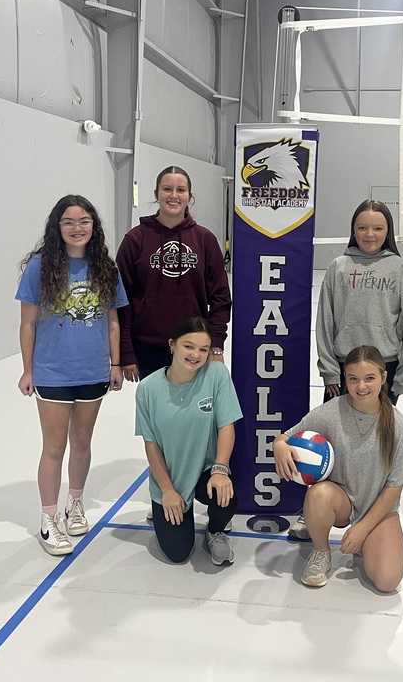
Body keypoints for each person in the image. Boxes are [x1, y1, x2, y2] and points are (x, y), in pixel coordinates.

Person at [288, 199, 403, 541]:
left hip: (382, 374)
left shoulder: (399, 269)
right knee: (329, 443)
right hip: (343, 374)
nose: (370, 234)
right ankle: (316, 512)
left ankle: (374, 515)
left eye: (378, 227)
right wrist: (330, 372)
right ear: (353, 230)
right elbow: (325, 322)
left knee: (376, 448)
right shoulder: (339, 267)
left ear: (388, 231)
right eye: (362, 227)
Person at [16, 194, 127, 556]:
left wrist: (113, 364)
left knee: (81, 444)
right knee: (54, 447)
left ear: (93, 226)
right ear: (57, 227)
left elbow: (113, 322)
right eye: (69, 222)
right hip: (52, 372)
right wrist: (28, 370)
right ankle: (49, 519)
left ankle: (74, 503)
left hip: (92, 370)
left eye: (84, 221)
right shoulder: (40, 266)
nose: (77, 228)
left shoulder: (104, 267)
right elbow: (28, 324)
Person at [274, 346, 403, 592]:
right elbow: (286, 436)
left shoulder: (398, 425)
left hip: (378, 509)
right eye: (353, 379)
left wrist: (362, 529)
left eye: (369, 378)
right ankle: (321, 552)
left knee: (387, 582)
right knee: (319, 493)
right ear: (345, 379)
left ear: (384, 378)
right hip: (341, 503)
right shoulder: (332, 412)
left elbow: (394, 488)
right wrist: (279, 446)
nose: (361, 386)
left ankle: (368, 543)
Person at [135, 316, 243, 566]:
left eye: (203, 349)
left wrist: (220, 469)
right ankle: (170, 509)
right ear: (172, 344)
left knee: (226, 494)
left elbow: (227, 425)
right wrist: (168, 491)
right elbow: (151, 444)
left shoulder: (216, 374)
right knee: (178, 554)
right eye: (189, 346)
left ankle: (215, 531)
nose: (196, 354)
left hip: (206, 470)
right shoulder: (148, 389)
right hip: (172, 479)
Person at [116, 166, 232, 380]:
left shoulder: (205, 240)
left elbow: (221, 298)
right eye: (167, 189)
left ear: (189, 196)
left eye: (181, 190)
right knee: (156, 411)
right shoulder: (135, 240)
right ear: (156, 194)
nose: (174, 195)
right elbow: (121, 302)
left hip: (194, 347)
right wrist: (126, 351)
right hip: (147, 348)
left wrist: (216, 344)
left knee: (194, 412)